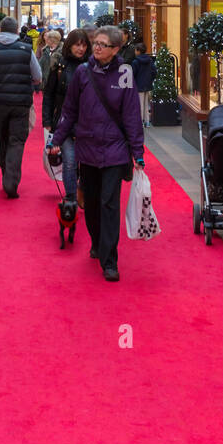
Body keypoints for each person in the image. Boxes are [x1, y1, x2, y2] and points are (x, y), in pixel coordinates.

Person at [50, 25, 144, 281]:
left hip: (115, 150)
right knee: (91, 203)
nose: (97, 47)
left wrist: (137, 151)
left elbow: (132, 114)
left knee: (109, 203)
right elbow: (69, 110)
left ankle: (110, 260)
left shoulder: (125, 72)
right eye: (97, 43)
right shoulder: (83, 72)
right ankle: (96, 241)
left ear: (116, 50)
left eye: (104, 44)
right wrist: (56, 139)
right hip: (88, 147)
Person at [0, 16, 42, 198]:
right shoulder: (26, 50)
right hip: (21, 104)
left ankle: (5, 167)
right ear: (16, 31)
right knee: (16, 140)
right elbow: (38, 76)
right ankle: (11, 181)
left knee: (2, 137)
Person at [42, 28, 91, 203]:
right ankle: (71, 197)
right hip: (64, 123)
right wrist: (47, 121)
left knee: (85, 163)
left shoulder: (93, 67)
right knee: (70, 161)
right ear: (70, 45)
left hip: (88, 124)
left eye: (84, 45)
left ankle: (83, 192)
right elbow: (49, 93)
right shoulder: (60, 66)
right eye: (77, 45)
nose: (81, 49)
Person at [131, 41, 156, 126]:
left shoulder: (135, 62)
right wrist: (150, 80)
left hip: (139, 85)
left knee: (140, 104)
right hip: (148, 84)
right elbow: (154, 71)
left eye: (135, 50)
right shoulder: (150, 60)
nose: (134, 52)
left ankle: (140, 122)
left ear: (138, 51)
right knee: (146, 103)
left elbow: (133, 74)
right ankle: (147, 121)